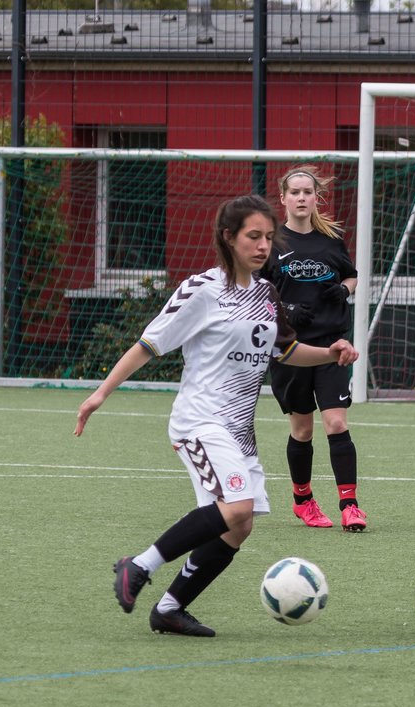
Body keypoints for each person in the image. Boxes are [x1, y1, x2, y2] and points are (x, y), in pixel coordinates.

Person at [74, 194, 359, 636]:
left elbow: (284, 352)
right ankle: (140, 565)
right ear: (228, 238)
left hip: (238, 432)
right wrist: (100, 394)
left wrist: (330, 353)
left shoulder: (266, 293)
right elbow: (149, 344)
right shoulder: (202, 289)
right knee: (237, 505)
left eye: (269, 237)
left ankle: (169, 609)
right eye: (254, 236)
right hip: (200, 420)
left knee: (239, 526)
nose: (264, 245)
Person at [264, 166, 367, 532]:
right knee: (303, 430)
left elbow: (351, 275)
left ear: (316, 197)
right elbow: (257, 293)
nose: (302, 198)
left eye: (308, 192)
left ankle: (350, 505)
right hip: (290, 349)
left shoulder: (331, 239)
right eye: (295, 192)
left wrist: (345, 290)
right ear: (284, 198)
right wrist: (286, 309)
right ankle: (303, 500)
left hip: (332, 345)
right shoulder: (271, 243)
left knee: (336, 422)